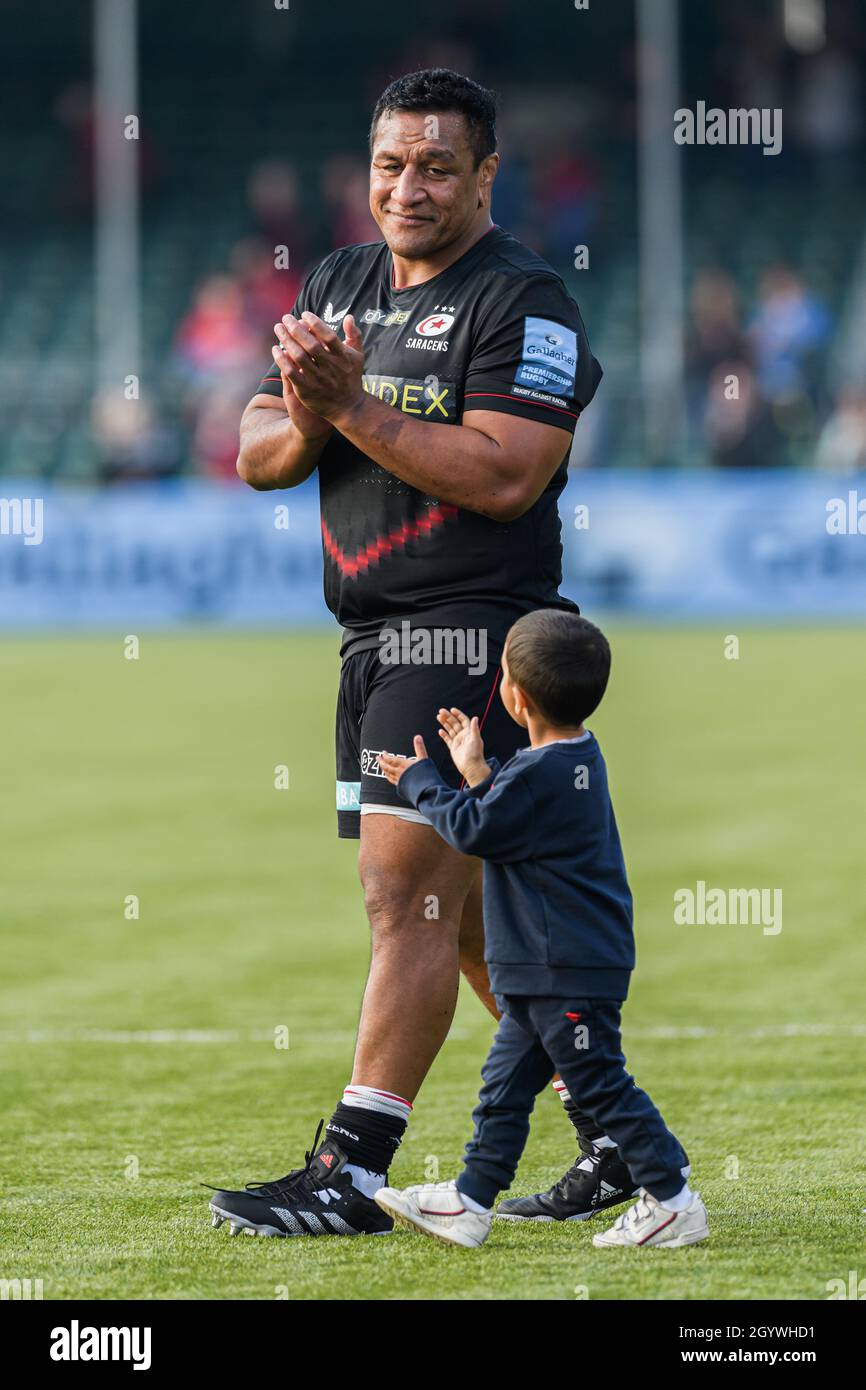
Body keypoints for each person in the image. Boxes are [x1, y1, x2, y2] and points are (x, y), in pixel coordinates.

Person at [207, 69, 610, 1241]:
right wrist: (319, 408)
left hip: (468, 630)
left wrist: (348, 406)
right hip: (369, 640)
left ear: (486, 174)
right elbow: (258, 446)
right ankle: (612, 1138)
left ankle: (351, 1166)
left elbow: (503, 472)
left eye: (437, 165)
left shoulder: (524, 297)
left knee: (406, 900)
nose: (408, 185)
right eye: (390, 164)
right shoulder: (339, 279)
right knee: (478, 924)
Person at [373, 610, 708, 1251]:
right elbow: (507, 816)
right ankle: (470, 1201)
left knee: (601, 1083)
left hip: (564, 969)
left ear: (514, 695)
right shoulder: (572, 759)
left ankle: (673, 1199)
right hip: (541, 969)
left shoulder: (537, 773)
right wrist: (475, 771)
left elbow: (475, 830)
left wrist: (419, 781)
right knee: (502, 1091)